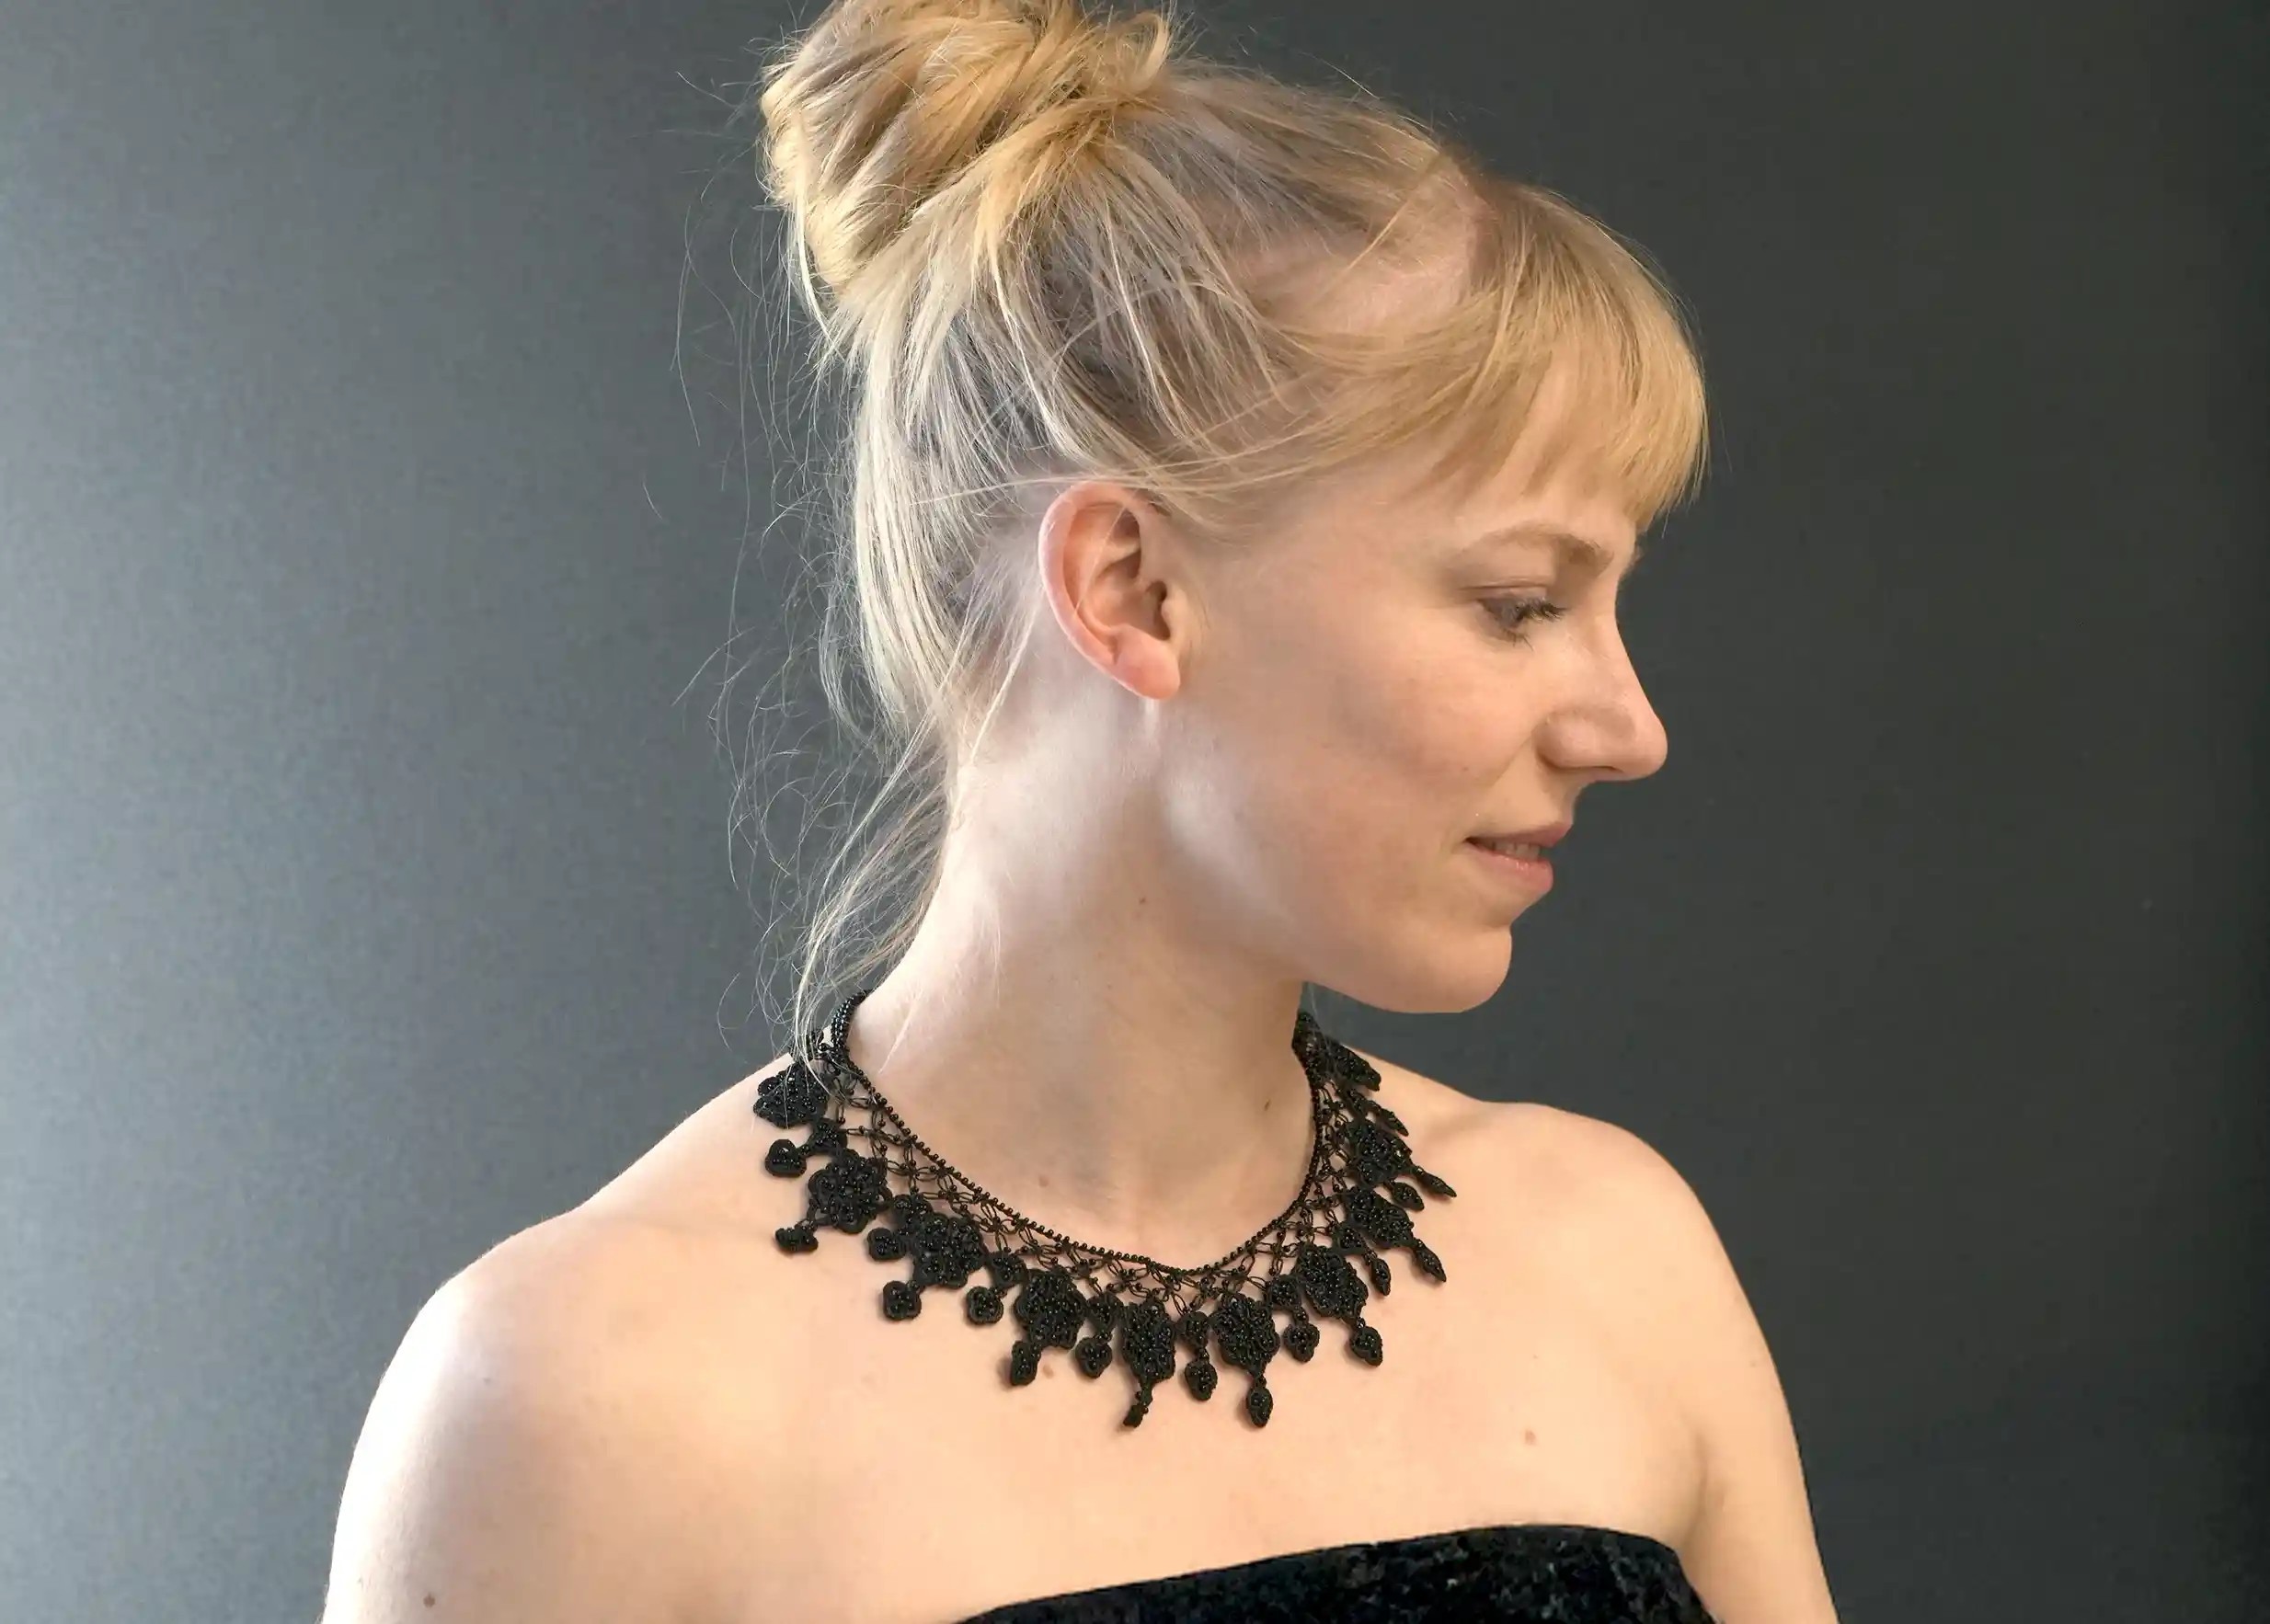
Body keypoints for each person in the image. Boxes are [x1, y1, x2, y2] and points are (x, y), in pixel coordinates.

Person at [321, 1, 1840, 1619]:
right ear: (1133, 589)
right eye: (1521, 602)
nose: (1630, 729)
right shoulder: (578, 1404)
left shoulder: (1617, 1257)